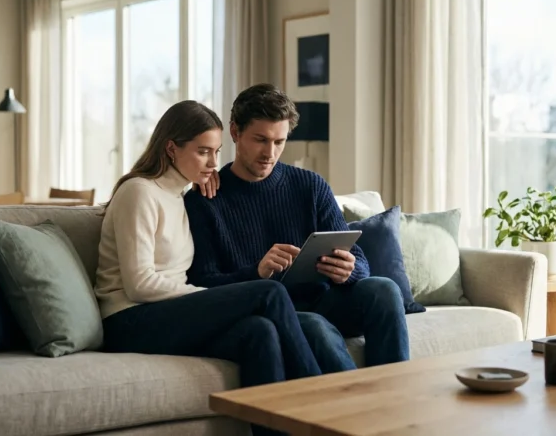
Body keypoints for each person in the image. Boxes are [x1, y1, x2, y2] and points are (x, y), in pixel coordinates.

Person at [95, 100, 322, 436]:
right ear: (172, 148)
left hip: (166, 313)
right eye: (203, 152)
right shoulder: (139, 193)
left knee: (260, 332)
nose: (214, 163)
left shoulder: (181, 195)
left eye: (217, 152)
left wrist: (200, 182)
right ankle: (322, 403)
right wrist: (204, 294)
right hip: (129, 319)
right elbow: (139, 285)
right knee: (269, 292)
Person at [183, 84, 410, 369]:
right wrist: (256, 272)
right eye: (260, 140)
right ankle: (355, 409)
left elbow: (361, 261)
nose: (270, 153)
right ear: (235, 132)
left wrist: (350, 269)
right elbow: (201, 283)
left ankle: (396, 395)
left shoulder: (310, 186)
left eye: (279, 142)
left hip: (326, 299)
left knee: (384, 289)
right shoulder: (205, 199)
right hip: (275, 312)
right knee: (314, 326)